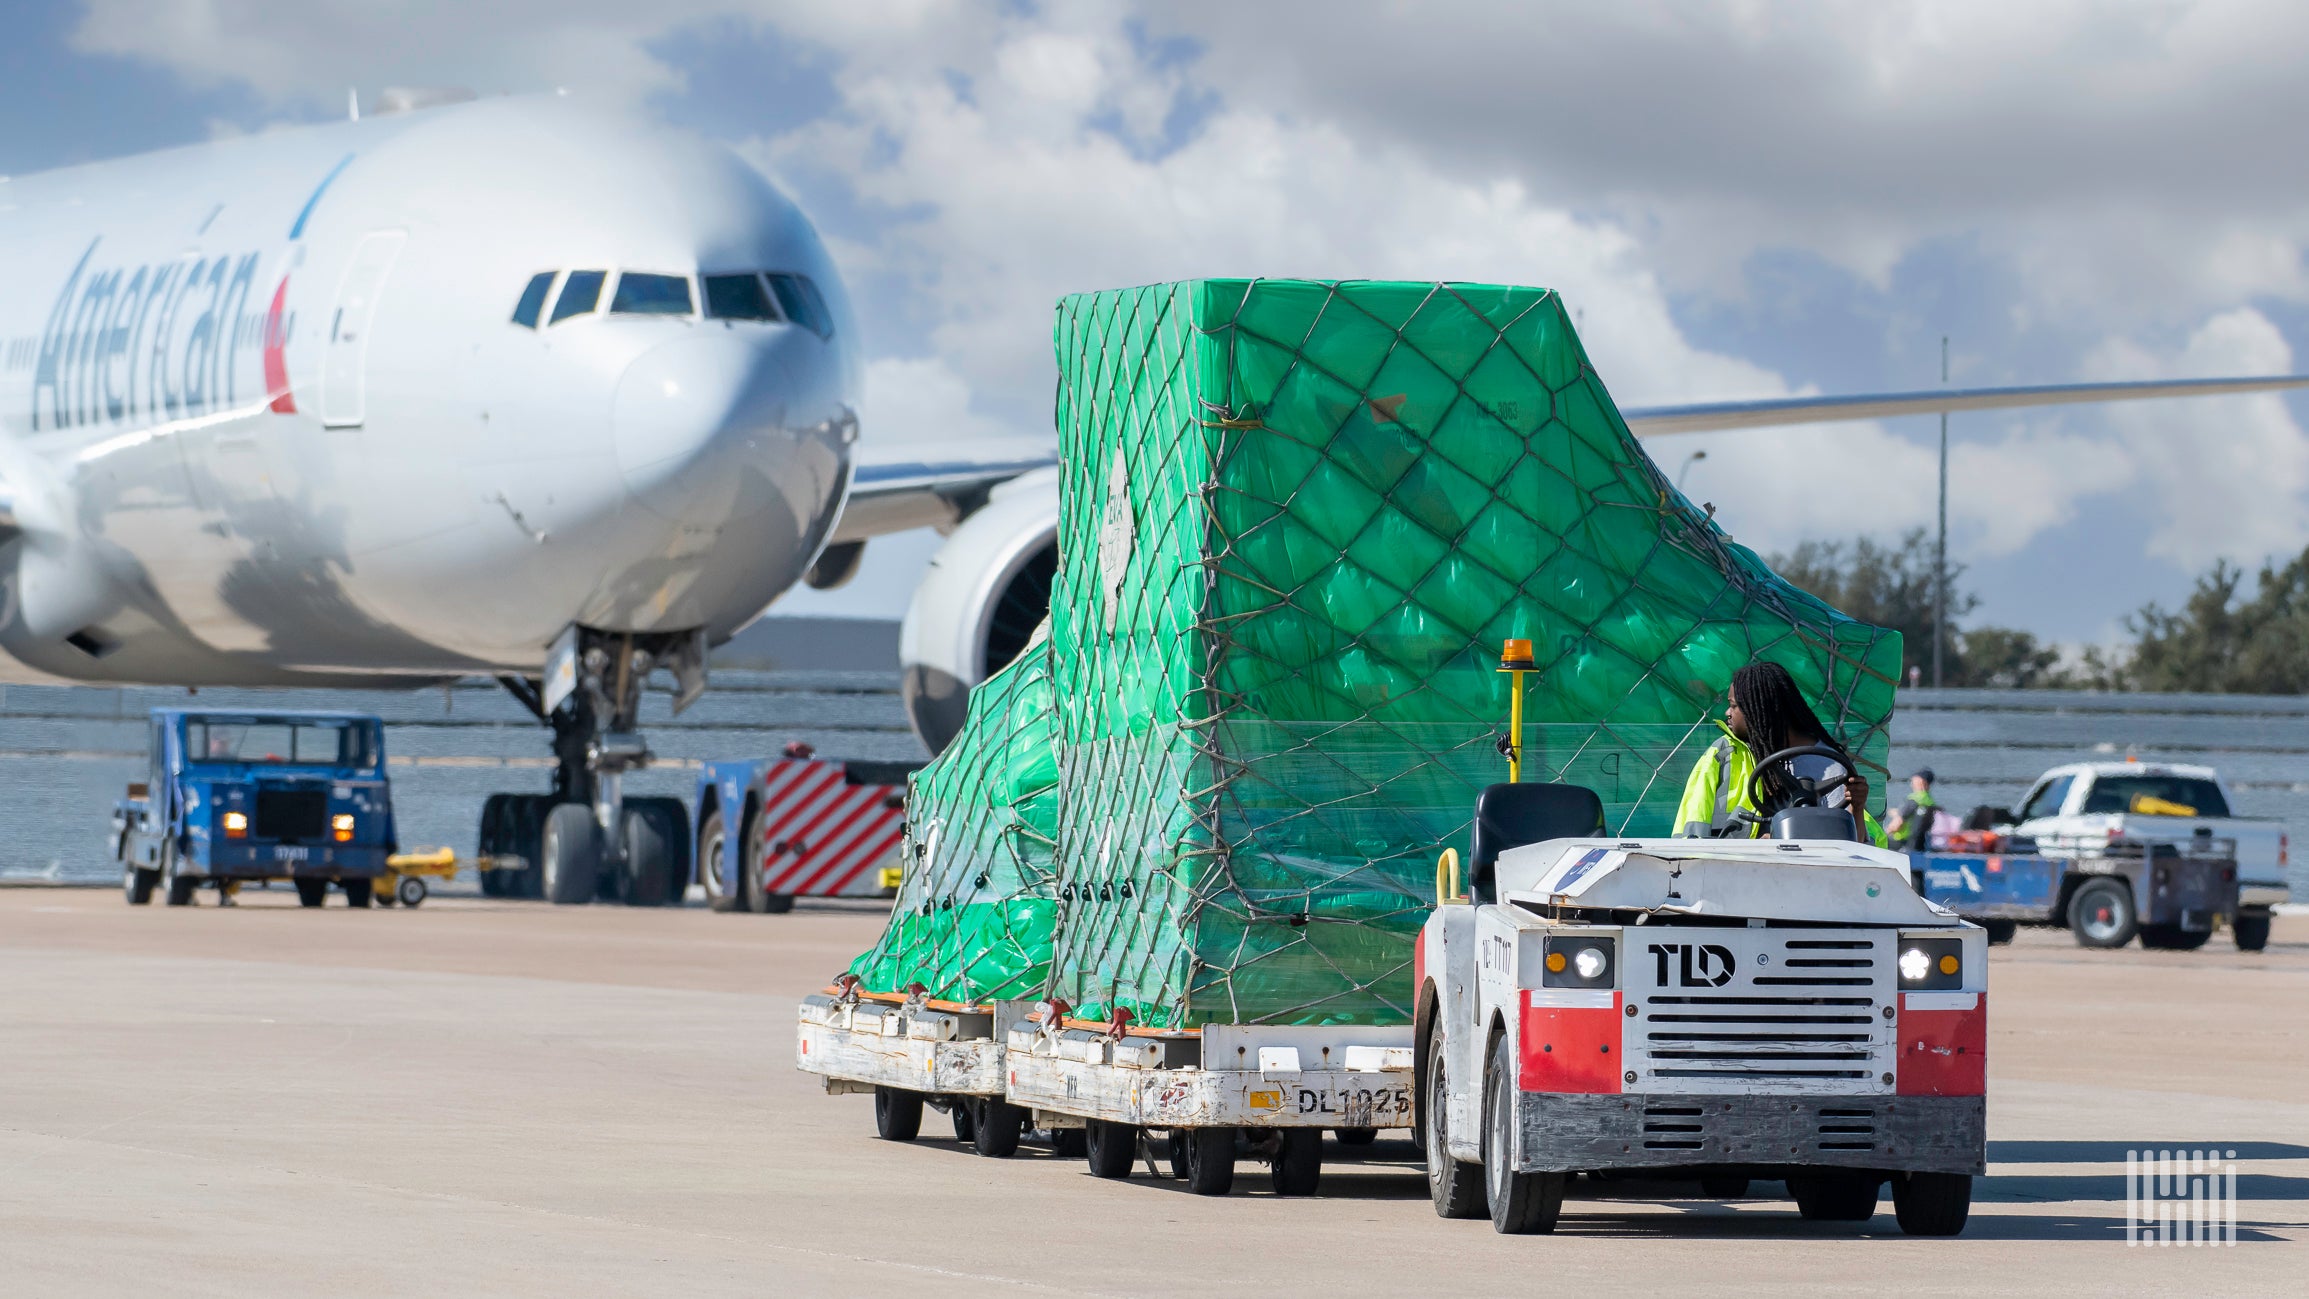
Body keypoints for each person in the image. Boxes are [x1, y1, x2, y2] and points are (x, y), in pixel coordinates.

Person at [1674, 661, 1886, 846]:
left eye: (1734, 706)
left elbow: (1849, 846)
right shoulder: (1726, 753)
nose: (1727, 713)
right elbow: (1693, 822)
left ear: (1760, 710)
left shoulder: (1829, 765)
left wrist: (1857, 808)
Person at [1884, 768, 1939, 850]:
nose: (1911, 781)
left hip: (1902, 843)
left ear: (1921, 781)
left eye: (1914, 779)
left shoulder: (1913, 800)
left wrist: (1883, 834)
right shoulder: (1930, 802)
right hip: (1920, 845)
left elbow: (1896, 825)